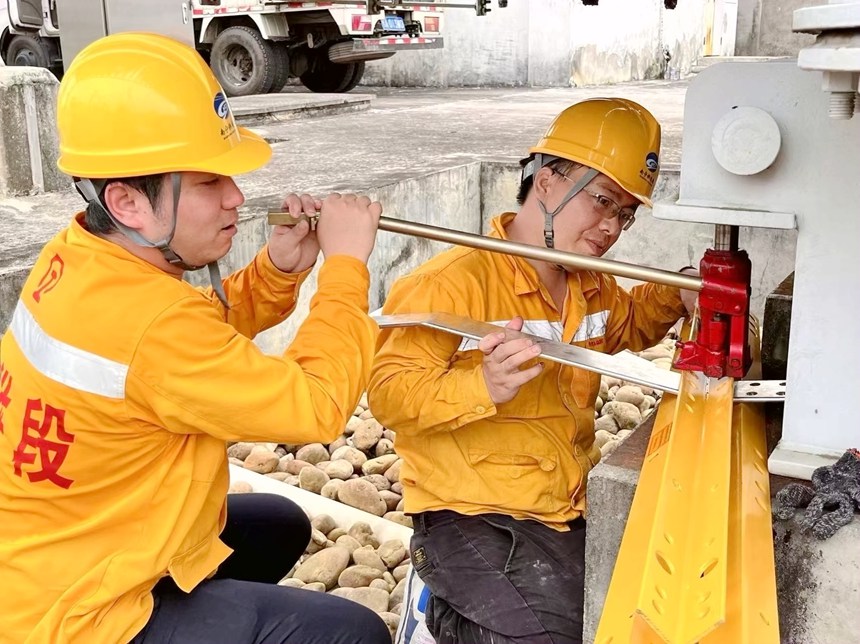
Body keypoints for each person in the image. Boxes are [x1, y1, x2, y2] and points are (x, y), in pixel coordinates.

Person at [0, 33, 390, 644]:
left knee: (279, 524)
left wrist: (277, 271)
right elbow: (316, 404)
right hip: (80, 614)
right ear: (127, 200)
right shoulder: (149, 320)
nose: (236, 197)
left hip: (59, 550)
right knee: (354, 632)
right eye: (209, 182)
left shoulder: (79, 254)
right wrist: (346, 267)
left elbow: (181, 344)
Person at [368, 98, 697, 644]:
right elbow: (388, 394)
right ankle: (447, 616)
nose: (612, 226)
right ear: (546, 182)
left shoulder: (589, 281)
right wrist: (482, 383)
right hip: (471, 513)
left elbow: (625, 326)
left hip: (560, 505)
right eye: (602, 201)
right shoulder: (454, 279)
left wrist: (677, 292)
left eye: (625, 213)